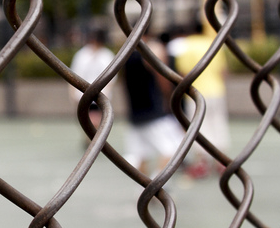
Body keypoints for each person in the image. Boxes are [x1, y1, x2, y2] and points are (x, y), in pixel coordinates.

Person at [167, 21, 229, 178]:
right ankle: (221, 161)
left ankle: (202, 163)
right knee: (219, 123)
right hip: (217, 90)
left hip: (196, 93)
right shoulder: (213, 44)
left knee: (199, 127)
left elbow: (182, 72)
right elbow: (223, 71)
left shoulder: (187, 46)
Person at [122, 32, 184, 177]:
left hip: (135, 113)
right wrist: (169, 98)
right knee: (173, 149)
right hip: (154, 111)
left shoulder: (125, 54)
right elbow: (162, 80)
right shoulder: (151, 50)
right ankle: (156, 184)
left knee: (140, 155)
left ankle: (143, 189)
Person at [69, 28, 115, 131]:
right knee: (86, 122)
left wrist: (106, 95)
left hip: (100, 97)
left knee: (97, 122)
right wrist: (73, 95)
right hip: (83, 96)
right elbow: (74, 74)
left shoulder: (106, 55)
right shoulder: (82, 55)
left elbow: (111, 80)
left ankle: (95, 139)